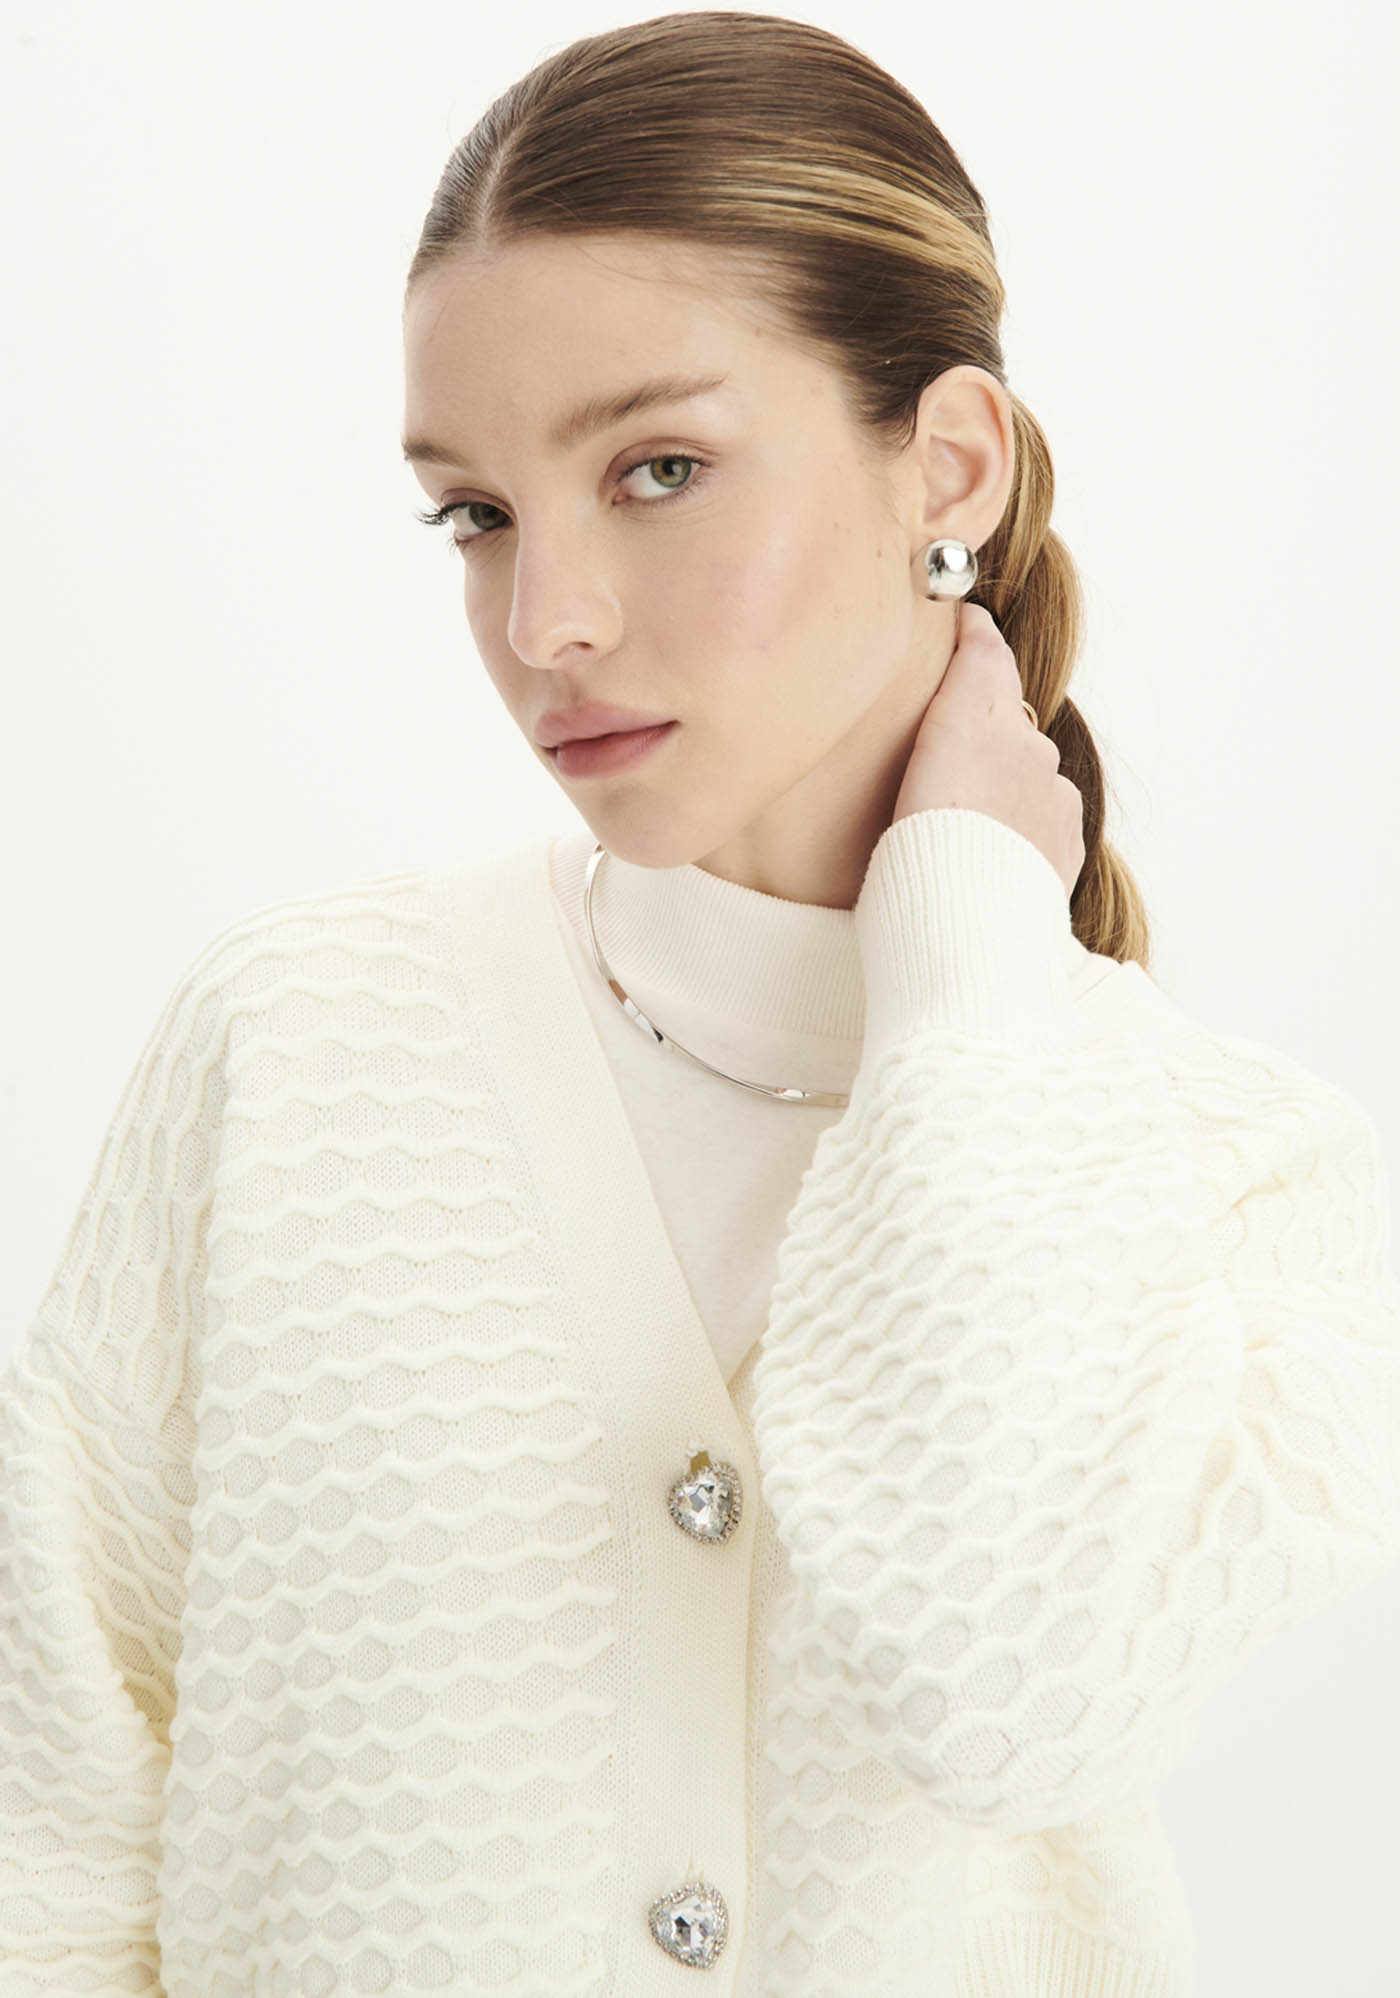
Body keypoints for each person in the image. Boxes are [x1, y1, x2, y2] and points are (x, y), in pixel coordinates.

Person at [3, 12, 1397, 1996]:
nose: (544, 621)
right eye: (476, 513)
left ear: (949, 463)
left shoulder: (1240, 1175)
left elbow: (1007, 1692)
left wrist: (967, 927)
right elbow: (42, 1853)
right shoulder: (292, 1047)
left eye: (658, 470)